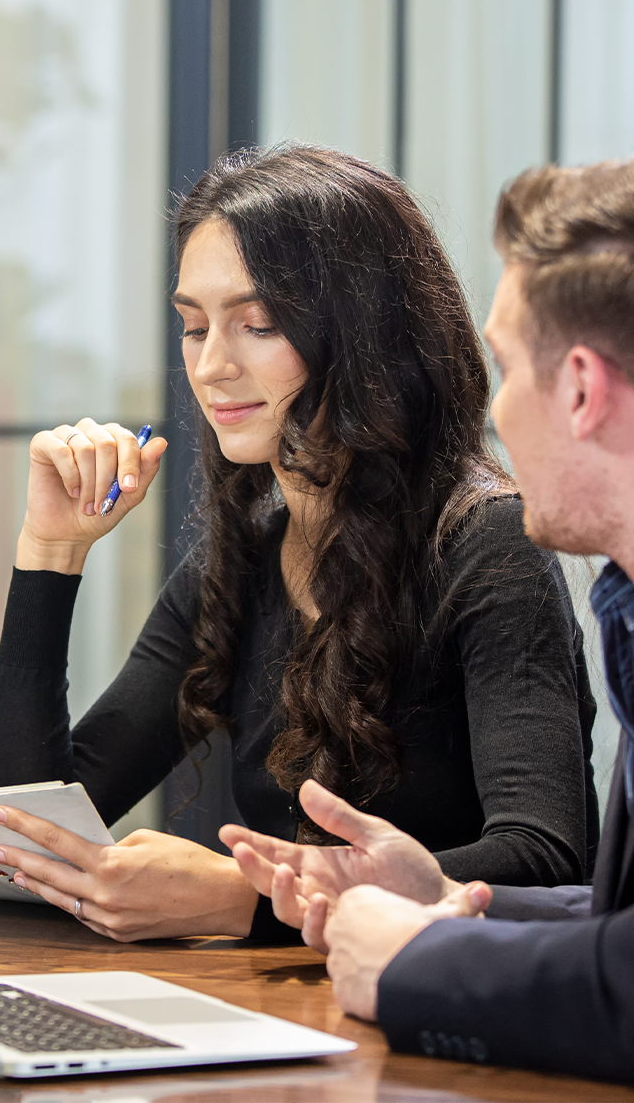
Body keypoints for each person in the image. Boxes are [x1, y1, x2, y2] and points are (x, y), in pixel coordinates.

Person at [0, 144, 598, 943]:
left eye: (259, 325)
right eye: (194, 327)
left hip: (449, 1026)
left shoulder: (488, 547)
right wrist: (50, 553)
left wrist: (256, 900)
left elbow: (544, 862)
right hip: (289, 1013)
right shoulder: (238, 565)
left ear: (364, 334)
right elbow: (25, 830)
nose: (211, 367)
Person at [223, 158, 634, 1082]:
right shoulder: (625, 604)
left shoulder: (487, 543)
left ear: (577, 387)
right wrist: (439, 892)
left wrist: (420, 963)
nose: (491, 409)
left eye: (504, 366)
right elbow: (615, 921)